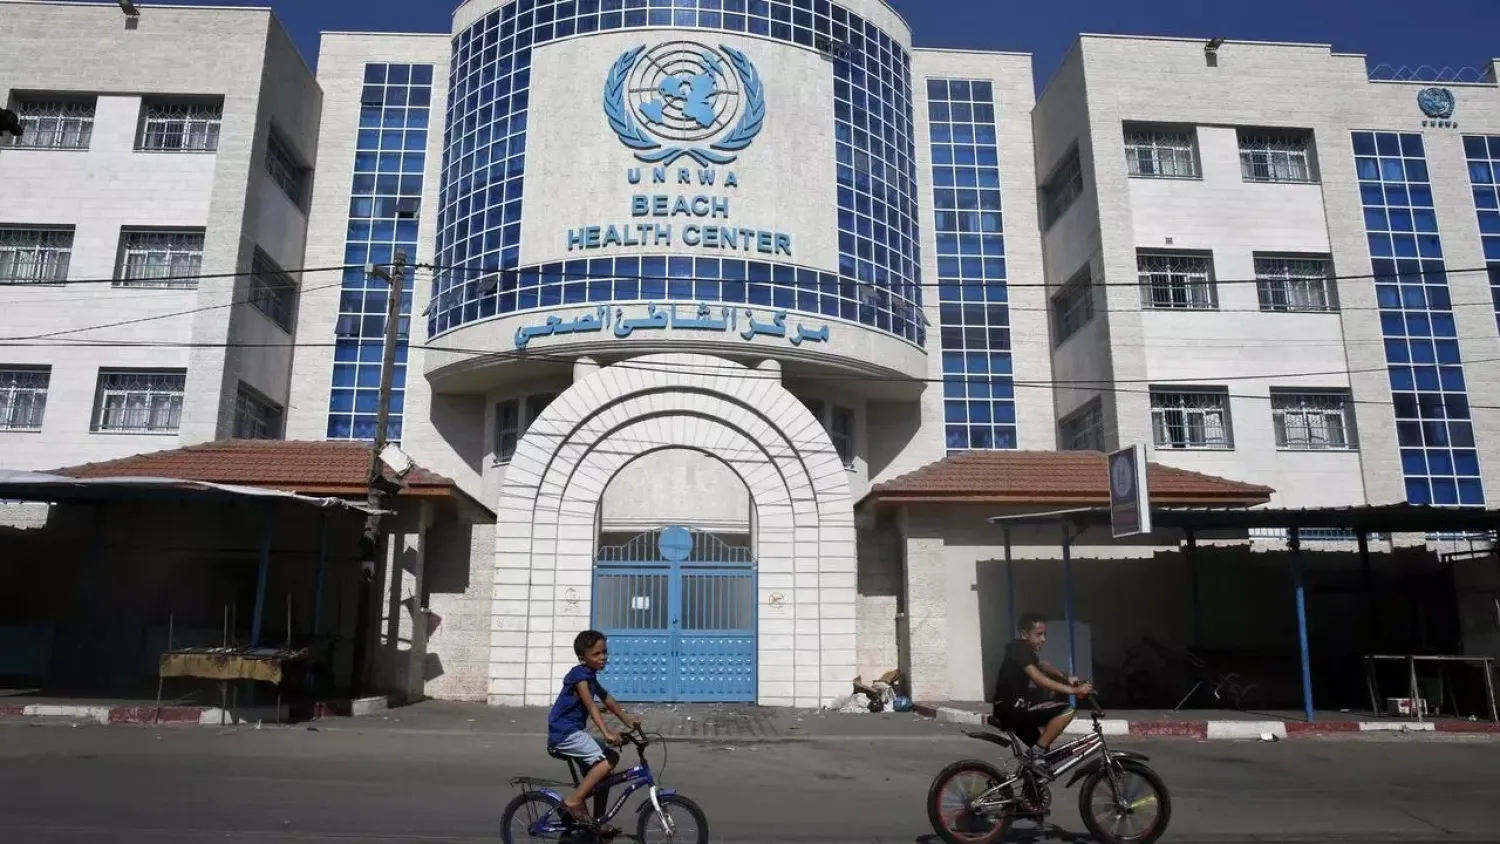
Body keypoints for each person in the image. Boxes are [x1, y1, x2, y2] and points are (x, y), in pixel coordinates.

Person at [547, 630, 642, 836]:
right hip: (564, 733)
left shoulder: (590, 676)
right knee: (603, 763)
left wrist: (628, 720)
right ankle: (573, 801)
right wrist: (607, 732)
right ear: (583, 658)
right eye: (596, 654)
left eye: (604, 652)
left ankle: (597, 822)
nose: (603, 657)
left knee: (608, 764)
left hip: (574, 732)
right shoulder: (579, 676)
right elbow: (590, 705)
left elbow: (606, 698)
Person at [991, 613, 1094, 778]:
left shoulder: (1024, 650)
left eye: (1045, 634)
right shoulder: (1018, 651)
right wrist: (1074, 691)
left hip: (1014, 708)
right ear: (1025, 634)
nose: (1044, 639)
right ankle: (1036, 754)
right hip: (1011, 708)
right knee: (1067, 710)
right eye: (1039, 634)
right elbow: (1038, 677)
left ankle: (1028, 795)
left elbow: (1043, 666)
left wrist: (1066, 677)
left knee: (1041, 761)